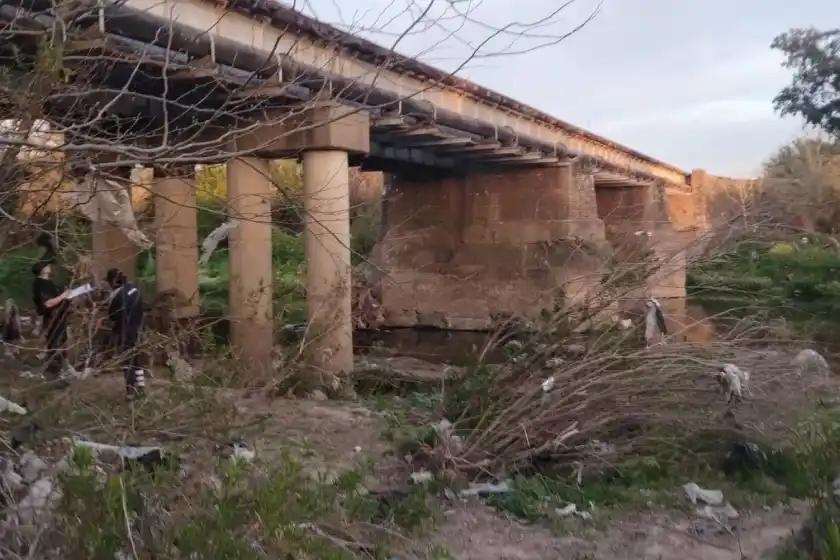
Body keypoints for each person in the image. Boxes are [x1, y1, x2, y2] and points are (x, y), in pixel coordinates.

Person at [105, 268, 146, 400]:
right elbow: (142, 307)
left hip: (125, 331)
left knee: (127, 361)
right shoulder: (134, 288)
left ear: (112, 281)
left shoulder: (115, 295)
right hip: (138, 328)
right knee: (137, 358)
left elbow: (112, 316)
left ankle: (130, 392)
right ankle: (141, 386)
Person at [32, 260, 71, 376]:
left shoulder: (48, 283)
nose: (49, 266)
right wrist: (63, 295)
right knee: (55, 344)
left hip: (59, 317)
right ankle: (55, 372)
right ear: (41, 269)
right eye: (46, 265)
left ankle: (61, 371)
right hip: (53, 318)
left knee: (61, 344)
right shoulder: (40, 284)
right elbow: (47, 303)